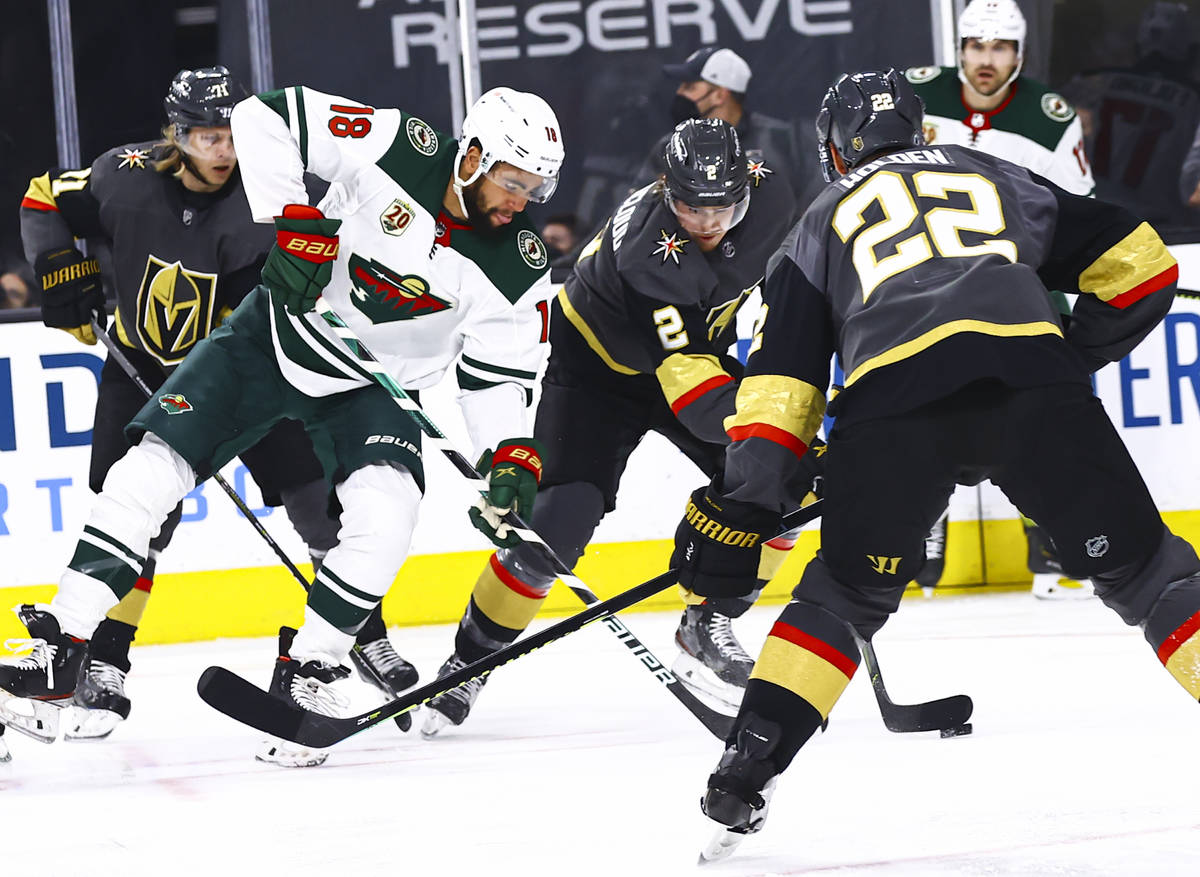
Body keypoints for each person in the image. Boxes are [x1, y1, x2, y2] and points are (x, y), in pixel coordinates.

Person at [671, 69, 1195, 860]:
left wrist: (751, 504)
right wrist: (1064, 354)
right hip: (1033, 385)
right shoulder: (986, 171)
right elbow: (1144, 262)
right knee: (1154, 575)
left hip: (893, 410)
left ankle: (745, 769)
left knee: (844, 594)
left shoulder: (817, 221)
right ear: (916, 132)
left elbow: (781, 395)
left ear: (833, 150)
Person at [0, 82, 563, 766]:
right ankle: (63, 641)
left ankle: (313, 669)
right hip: (275, 337)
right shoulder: (397, 144)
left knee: (386, 518)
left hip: (373, 388)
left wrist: (507, 457)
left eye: (534, 189)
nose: (520, 202)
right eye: (512, 181)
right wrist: (297, 221)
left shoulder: (521, 261)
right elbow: (264, 116)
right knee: (145, 470)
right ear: (470, 155)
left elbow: (502, 371)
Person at [7, 66, 403, 743]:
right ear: (179, 135)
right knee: (136, 521)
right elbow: (44, 196)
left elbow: (331, 259)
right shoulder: (122, 175)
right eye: (210, 137)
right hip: (141, 368)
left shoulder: (275, 189)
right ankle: (104, 664)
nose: (225, 150)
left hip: (255, 369)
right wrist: (58, 264)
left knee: (317, 500)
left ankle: (360, 636)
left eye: (234, 135)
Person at [421, 117, 811, 737]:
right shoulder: (646, 254)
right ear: (664, 188)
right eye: (689, 205)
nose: (707, 222)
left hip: (699, 357)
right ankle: (469, 661)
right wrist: (788, 424)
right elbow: (698, 401)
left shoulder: (775, 194)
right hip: (598, 374)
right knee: (551, 531)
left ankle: (709, 619)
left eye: (723, 205)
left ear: (746, 184)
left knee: (792, 489)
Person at [905, 0, 1097, 597]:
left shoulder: (1050, 117)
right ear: (958, 49)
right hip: (926, 288)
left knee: (1047, 413)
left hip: (1022, 288)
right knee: (916, 409)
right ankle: (919, 537)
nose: (985, 61)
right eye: (975, 47)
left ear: (1019, 54)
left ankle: (1052, 540)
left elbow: (1077, 211)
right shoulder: (913, 98)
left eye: (1000, 49)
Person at [632, 46, 821, 213]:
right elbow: (637, 209)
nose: (679, 93)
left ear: (719, 95)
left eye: (689, 86)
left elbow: (813, 203)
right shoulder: (669, 147)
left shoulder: (780, 140)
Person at [1063, 2, 1200, 228]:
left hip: (1089, 218)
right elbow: (1193, 192)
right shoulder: (1194, 102)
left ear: (1137, 46)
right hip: (1158, 230)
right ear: (1193, 52)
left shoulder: (1090, 83)